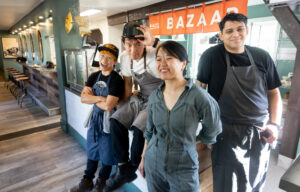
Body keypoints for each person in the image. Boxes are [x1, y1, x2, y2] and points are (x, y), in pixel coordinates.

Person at [197, 13, 282, 192]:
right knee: (227, 182)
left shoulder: (262, 56)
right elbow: (199, 91)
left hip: (259, 130)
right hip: (226, 131)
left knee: (256, 178)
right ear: (221, 35)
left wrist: (274, 124)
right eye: (229, 31)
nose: (235, 34)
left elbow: (274, 94)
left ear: (247, 30)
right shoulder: (211, 56)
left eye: (239, 29)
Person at [138, 40, 222, 192]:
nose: (162, 63)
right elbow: (149, 132)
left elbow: (212, 131)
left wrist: (188, 146)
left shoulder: (199, 97)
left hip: (184, 168)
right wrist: (143, 157)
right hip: (154, 164)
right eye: (158, 59)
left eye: (169, 58)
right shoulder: (155, 97)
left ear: (183, 64)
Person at [103, 21, 163, 191]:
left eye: (138, 44)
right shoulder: (124, 58)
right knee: (116, 121)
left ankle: (132, 167)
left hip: (159, 99)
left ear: (144, 42)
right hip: (141, 97)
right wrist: (121, 111)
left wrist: (155, 42)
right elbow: (128, 88)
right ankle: (123, 168)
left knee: (139, 128)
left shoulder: (155, 53)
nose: (133, 50)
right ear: (124, 43)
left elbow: (178, 56)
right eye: (129, 45)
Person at [71, 44, 124, 192]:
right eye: (101, 56)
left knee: (107, 153)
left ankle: (101, 182)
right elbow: (83, 98)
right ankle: (87, 180)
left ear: (115, 61)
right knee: (92, 150)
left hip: (109, 121)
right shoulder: (94, 76)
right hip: (94, 120)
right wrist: (101, 98)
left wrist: (93, 98)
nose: (104, 60)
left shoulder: (116, 80)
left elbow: (109, 107)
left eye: (109, 58)